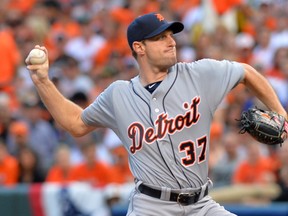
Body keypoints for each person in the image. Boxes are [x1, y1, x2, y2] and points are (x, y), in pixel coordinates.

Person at [25, 12, 287, 216]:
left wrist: (281, 115)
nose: (171, 41)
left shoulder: (198, 74)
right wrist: (43, 82)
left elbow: (246, 72)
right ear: (139, 47)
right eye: (160, 38)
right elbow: (75, 123)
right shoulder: (119, 95)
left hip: (202, 204)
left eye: (170, 35)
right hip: (151, 206)